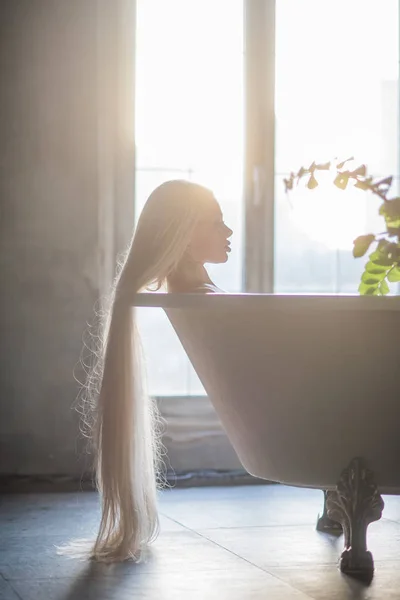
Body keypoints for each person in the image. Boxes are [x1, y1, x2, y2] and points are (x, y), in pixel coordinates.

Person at [57, 180, 233, 562]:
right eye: (217, 222)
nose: (229, 231)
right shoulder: (205, 300)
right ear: (186, 234)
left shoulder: (202, 296)